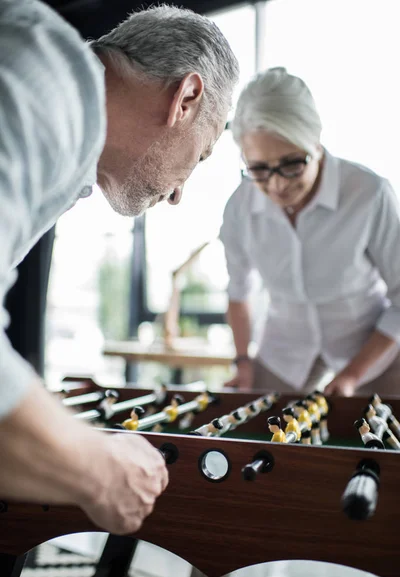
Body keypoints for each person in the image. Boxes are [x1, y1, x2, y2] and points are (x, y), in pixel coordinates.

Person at [0, 0, 239, 535]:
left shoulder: (67, 121)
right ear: (187, 98)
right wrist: (97, 469)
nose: (179, 193)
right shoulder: (45, 80)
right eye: (200, 158)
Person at [221, 66, 400, 398]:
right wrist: (243, 361)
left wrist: (352, 374)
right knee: (258, 431)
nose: (277, 185)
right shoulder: (239, 207)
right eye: (259, 169)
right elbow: (239, 293)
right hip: (284, 348)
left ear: (316, 142)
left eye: (291, 164)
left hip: (370, 344)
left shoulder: (369, 193)